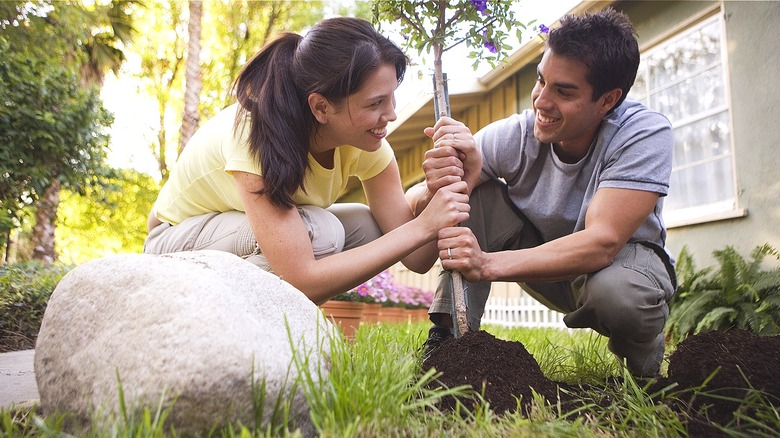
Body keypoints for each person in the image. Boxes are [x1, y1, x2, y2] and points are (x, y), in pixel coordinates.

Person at [409, 8, 676, 377]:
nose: (540, 101)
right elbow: (417, 203)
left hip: (618, 270)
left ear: (608, 100)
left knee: (618, 294)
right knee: (476, 193)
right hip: (547, 268)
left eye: (563, 91)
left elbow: (602, 242)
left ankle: (646, 378)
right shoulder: (516, 136)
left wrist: (485, 264)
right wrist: (444, 182)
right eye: (541, 80)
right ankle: (449, 345)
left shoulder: (643, 134)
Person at [144, 17, 470, 305]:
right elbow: (301, 277)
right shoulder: (258, 133)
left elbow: (416, 256)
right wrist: (423, 225)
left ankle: (280, 321)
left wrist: (439, 191)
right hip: (173, 241)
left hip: (231, 232)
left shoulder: (369, 145)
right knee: (323, 232)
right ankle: (217, 319)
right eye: (375, 103)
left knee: (368, 226)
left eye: (391, 98)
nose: (391, 114)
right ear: (321, 107)